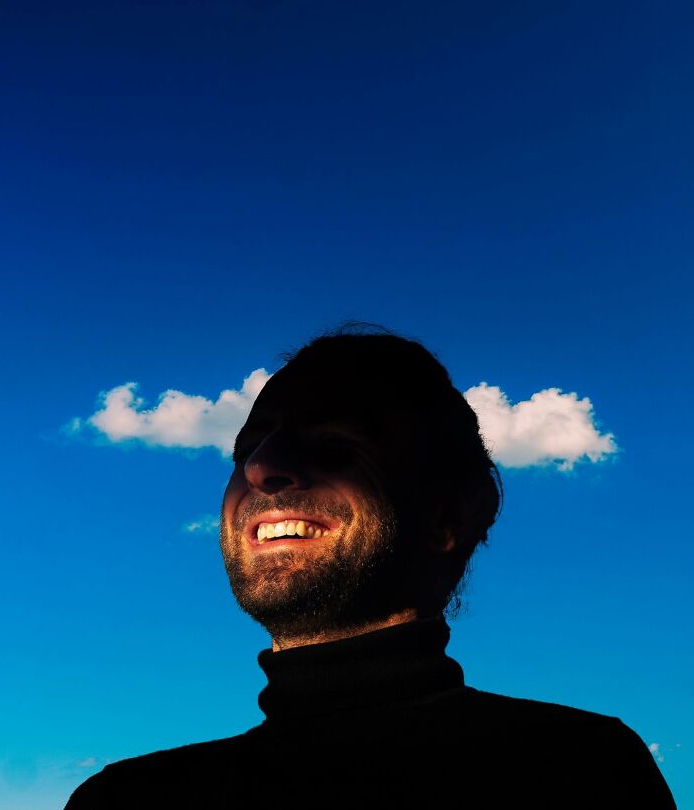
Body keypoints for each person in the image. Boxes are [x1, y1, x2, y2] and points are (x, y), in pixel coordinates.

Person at [64, 322, 677, 808]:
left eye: (337, 444)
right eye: (248, 448)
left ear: (445, 517)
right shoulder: (124, 799)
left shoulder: (579, 775)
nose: (259, 469)